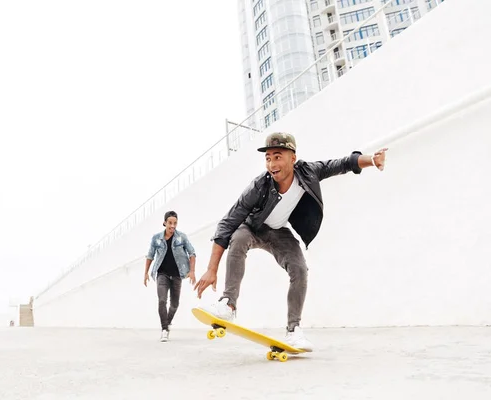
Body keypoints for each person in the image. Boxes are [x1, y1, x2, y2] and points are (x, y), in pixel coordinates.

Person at [194, 132, 388, 351]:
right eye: (267, 158)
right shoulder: (258, 186)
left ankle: (293, 330)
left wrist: (372, 160)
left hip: (278, 233)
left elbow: (342, 163)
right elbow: (227, 224)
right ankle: (228, 304)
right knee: (237, 238)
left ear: (292, 158)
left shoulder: (309, 172)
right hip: (253, 227)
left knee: (300, 269)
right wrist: (212, 269)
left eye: (277, 157)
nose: (271, 164)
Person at [145, 211, 197, 342]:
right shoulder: (156, 238)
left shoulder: (182, 237)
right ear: (164, 223)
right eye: (170, 223)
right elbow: (150, 256)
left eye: (175, 223)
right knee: (162, 300)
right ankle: (164, 329)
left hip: (177, 275)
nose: (172, 226)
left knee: (174, 304)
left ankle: (167, 323)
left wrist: (192, 271)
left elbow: (192, 253)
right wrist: (145, 273)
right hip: (162, 274)